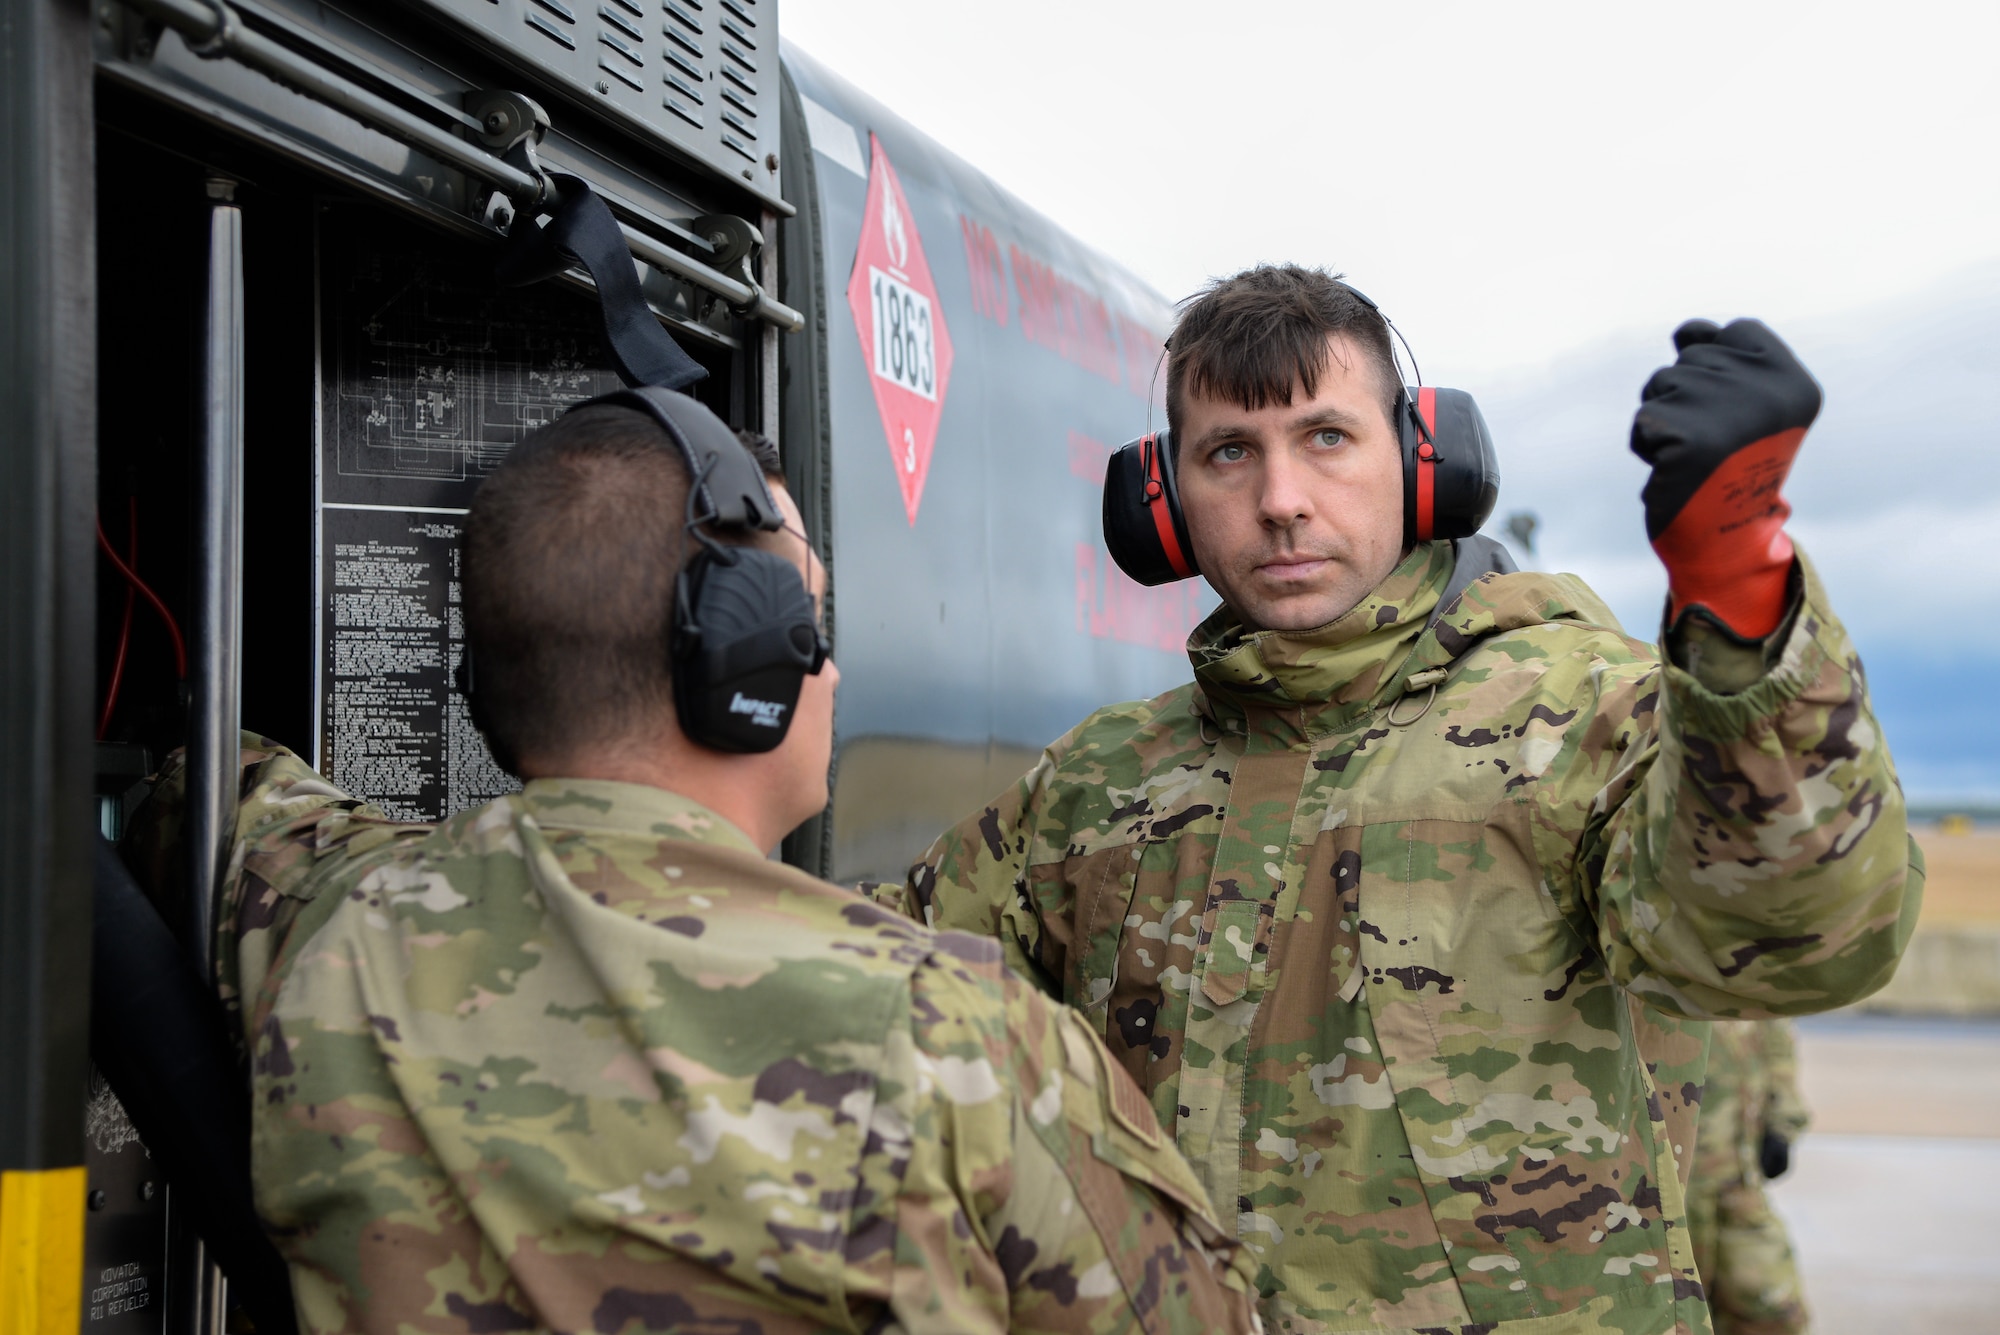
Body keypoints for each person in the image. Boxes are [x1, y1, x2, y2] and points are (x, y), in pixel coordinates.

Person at [872, 266, 1922, 1335]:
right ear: (1162, 497)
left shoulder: (1571, 720)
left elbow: (1806, 934)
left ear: (1422, 463)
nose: (1279, 500)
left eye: (1325, 437)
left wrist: (1736, 582)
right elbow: (873, 992)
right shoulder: (1096, 787)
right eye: (1228, 452)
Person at [125, 393, 1260, 1334]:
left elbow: (216, 795)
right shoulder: (960, 1040)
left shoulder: (334, 923)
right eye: (809, 619)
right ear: (746, 657)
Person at [1687, 1020, 1812, 1335]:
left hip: (1738, 1183)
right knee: (1675, 1314)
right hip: (1663, 1189)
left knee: (1771, 1311)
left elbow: (1776, 1040)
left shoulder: (1748, 983)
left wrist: (1782, 1124)